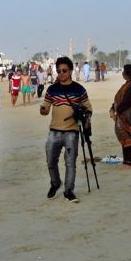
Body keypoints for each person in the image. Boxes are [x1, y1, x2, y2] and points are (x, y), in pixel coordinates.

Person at [40, 57, 92, 203]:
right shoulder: (52, 89)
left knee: (70, 163)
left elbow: (88, 106)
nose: (61, 73)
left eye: (64, 70)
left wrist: (87, 118)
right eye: (59, 71)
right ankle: (55, 183)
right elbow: (46, 107)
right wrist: (43, 110)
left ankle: (69, 191)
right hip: (54, 131)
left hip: (72, 132)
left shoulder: (79, 89)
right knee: (51, 161)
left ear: (70, 71)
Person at [108, 64, 131, 169]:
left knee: (128, 137)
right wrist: (113, 108)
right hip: (122, 113)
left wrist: (117, 110)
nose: (122, 73)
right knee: (123, 136)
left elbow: (126, 101)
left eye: (124, 71)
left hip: (128, 114)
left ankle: (129, 162)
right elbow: (119, 99)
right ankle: (126, 161)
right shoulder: (127, 84)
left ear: (128, 73)